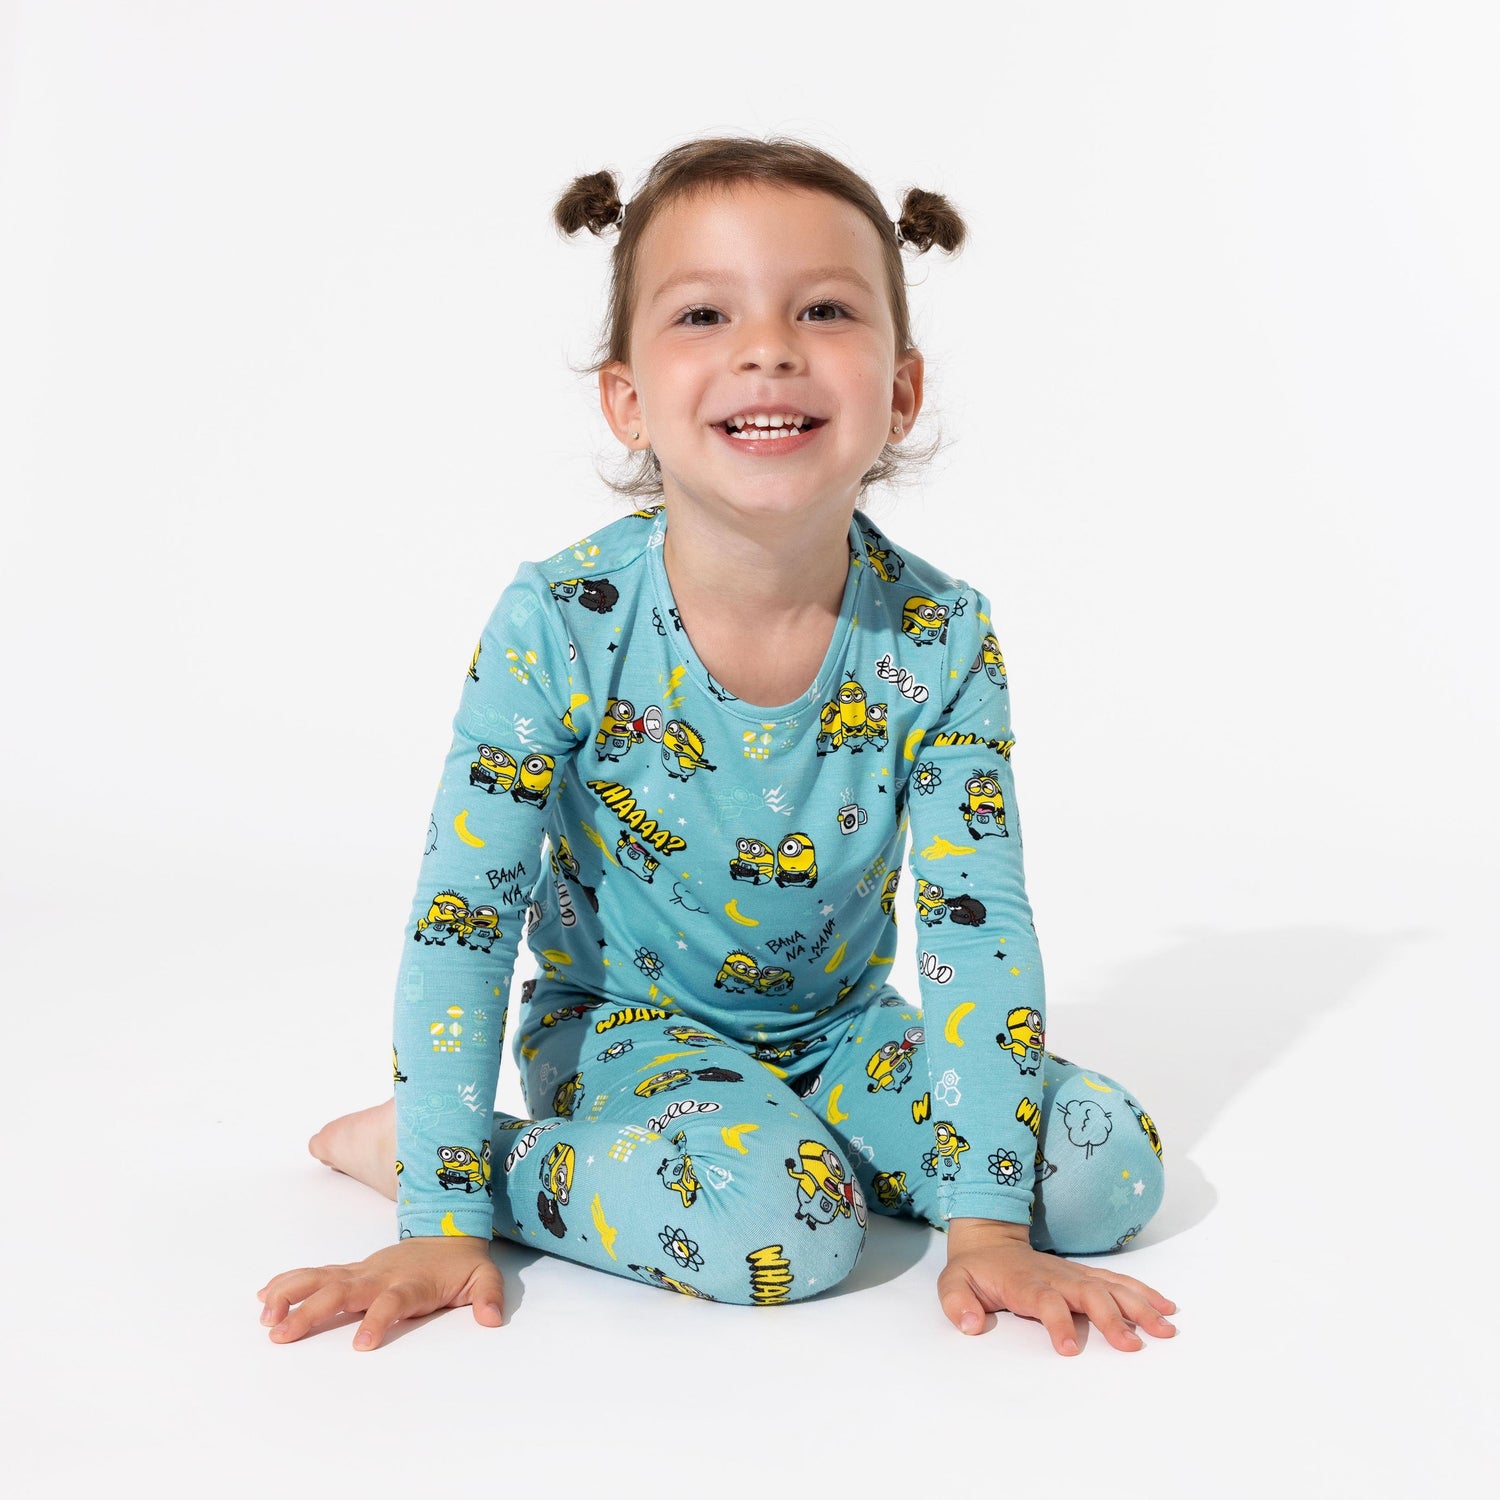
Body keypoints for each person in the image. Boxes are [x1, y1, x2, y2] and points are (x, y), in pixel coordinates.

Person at [257, 136, 1177, 1356]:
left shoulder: (940, 636)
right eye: (705, 313)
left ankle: (798, 1144)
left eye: (824, 309)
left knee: (1105, 1172)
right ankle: (464, 1156)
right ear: (627, 398)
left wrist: (990, 1227)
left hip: (842, 1031)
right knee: (788, 1231)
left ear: (901, 391)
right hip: (622, 1033)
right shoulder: (560, 623)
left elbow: (976, 927)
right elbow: (463, 921)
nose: (769, 348)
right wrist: (442, 1214)